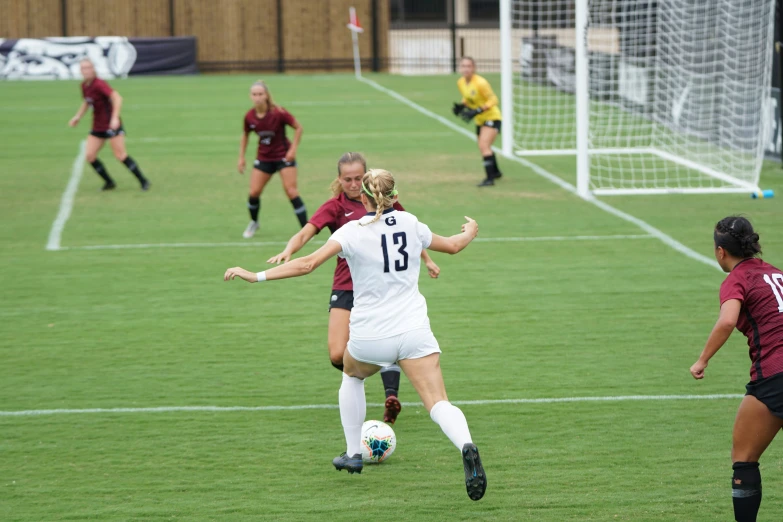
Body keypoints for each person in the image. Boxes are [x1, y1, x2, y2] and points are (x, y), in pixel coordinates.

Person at [225, 169, 487, 501]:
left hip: (370, 335)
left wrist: (255, 276)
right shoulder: (411, 223)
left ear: (362, 197)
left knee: (351, 375)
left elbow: (307, 264)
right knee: (438, 402)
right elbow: (453, 245)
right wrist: (471, 230)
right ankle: (466, 445)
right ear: (394, 196)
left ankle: (353, 454)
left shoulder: (351, 231)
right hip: (414, 330)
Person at [267, 152, 441, 425]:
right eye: (347, 179)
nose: (352, 183)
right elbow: (306, 232)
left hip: (380, 288)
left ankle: (389, 394)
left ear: (366, 178)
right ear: (339, 179)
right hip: (346, 287)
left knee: (385, 343)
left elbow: (408, 236)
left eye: (358, 178)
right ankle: (377, 368)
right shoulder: (334, 207)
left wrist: (428, 260)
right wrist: (288, 250)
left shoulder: (382, 200)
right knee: (337, 353)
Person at [689, 216, 783, 522]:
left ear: (720, 252)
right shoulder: (777, 274)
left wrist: (702, 360)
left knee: (743, 460)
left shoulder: (737, 279)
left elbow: (728, 320)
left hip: (775, 375)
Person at [237, 80, 307, 239]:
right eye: (254, 94)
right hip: (264, 158)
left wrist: (293, 149)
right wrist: (241, 158)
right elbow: (245, 136)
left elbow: (298, 128)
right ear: (250, 96)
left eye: (260, 94)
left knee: (291, 191)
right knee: (254, 192)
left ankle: (305, 229)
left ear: (266, 95)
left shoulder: (278, 113)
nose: (257, 97)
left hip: (283, 156)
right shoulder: (249, 116)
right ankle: (254, 222)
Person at [68, 59, 150, 191]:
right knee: (90, 156)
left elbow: (117, 97)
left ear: (93, 69)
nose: (86, 70)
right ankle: (109, 182)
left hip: (111, 126)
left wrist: (115, 118)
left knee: (120, 155)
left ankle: (143, 181)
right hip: (97, 126)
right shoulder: (84, 86)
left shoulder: (99, 84)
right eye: (83, 68)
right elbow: (87, 102)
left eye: (88, 67)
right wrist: (77, 117)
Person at [451, 56, 503, 187]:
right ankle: (496, 172)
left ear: (474, 68)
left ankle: (489, 179)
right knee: (484, 146)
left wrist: (478, 110)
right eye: (463, 66)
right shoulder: (461, 82)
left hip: (492, 117)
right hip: (480, 120)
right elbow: (468, 97)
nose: (466, 69)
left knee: (484, 146)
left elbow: (494, 100)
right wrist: (462, 106)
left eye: (469, 66)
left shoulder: (481, 83)